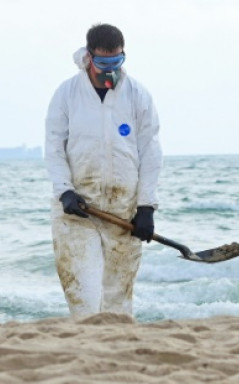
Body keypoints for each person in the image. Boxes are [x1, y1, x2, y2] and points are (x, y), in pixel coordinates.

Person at [45, 23, 162, 317]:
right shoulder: (67, 94)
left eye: (116, 62)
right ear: (89, 57)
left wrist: (146, 206)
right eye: (103, 63)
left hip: (123, 212)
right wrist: (65, 191)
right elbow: (54, 149)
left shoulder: (138, 95)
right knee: (83, 297)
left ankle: (117, 358)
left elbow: (151, 152)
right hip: (78, 211)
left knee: (118, 302)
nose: (110, 69)